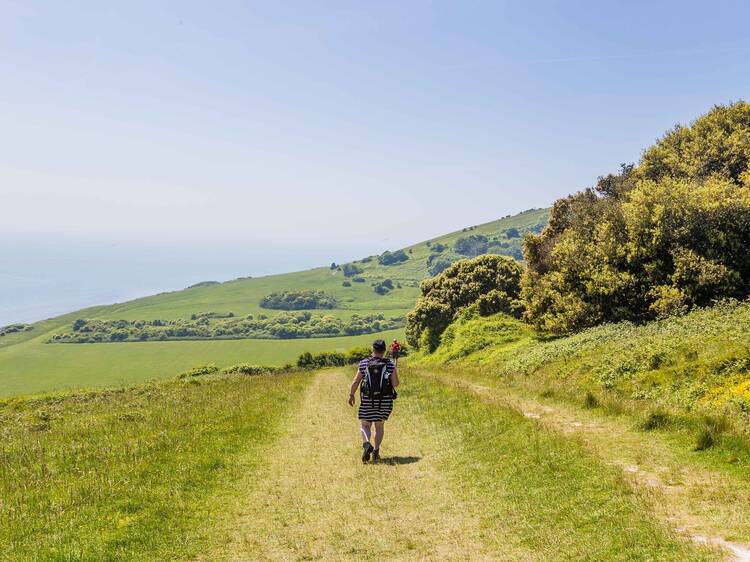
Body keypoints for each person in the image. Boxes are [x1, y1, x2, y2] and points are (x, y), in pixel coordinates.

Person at [348, 339, 399, 463]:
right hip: (384, 401)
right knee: (379, 425)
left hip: (368, 400)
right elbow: (396, 384)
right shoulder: (390, 364)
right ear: (384, 350)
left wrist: (351, 394)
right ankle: (375, 451)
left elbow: (356, 381)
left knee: (365, 424)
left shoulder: (364, 363)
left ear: (373, 349)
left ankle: (366, 444)